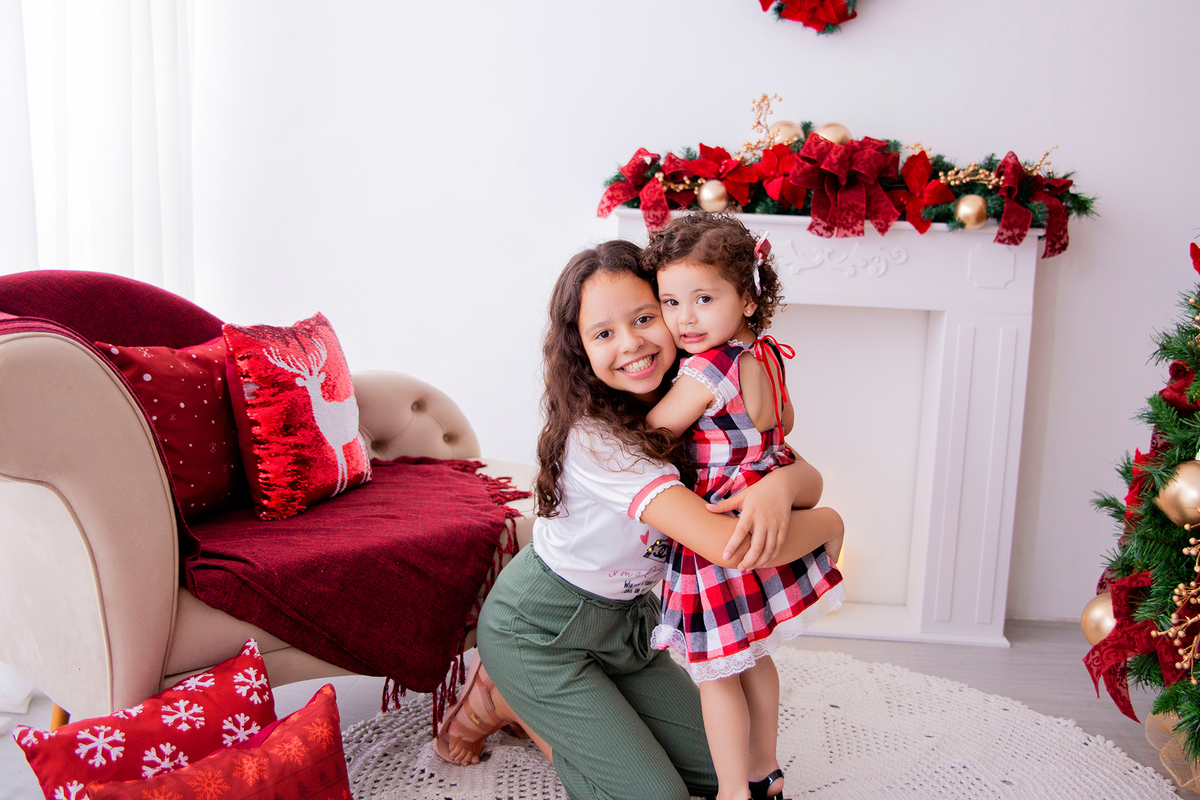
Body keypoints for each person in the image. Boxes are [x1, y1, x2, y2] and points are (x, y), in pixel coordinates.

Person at [435, 239, 843, 800]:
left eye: (645, 317)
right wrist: (829, 524)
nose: (630, 343)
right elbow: (729, 545)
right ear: (580, 349)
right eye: (603, 333)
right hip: (541, 630)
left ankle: (592, 704)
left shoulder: (691, 398)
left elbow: (796, 469)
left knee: (728, 766)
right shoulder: (600, 440)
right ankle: (512, 699)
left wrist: (782, 485)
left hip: (629, 626)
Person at [642, 213, 844, 800]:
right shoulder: (765, 355)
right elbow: (783, 426)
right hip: (764, 505)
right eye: (671, 302)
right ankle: (765, 770)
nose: (684, 319)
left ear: (748, 299)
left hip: (722, 526)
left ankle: (733, 790)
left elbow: (657, 430)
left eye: (703, 299)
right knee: (753, 656)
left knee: (717, 673)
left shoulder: (706, 368)